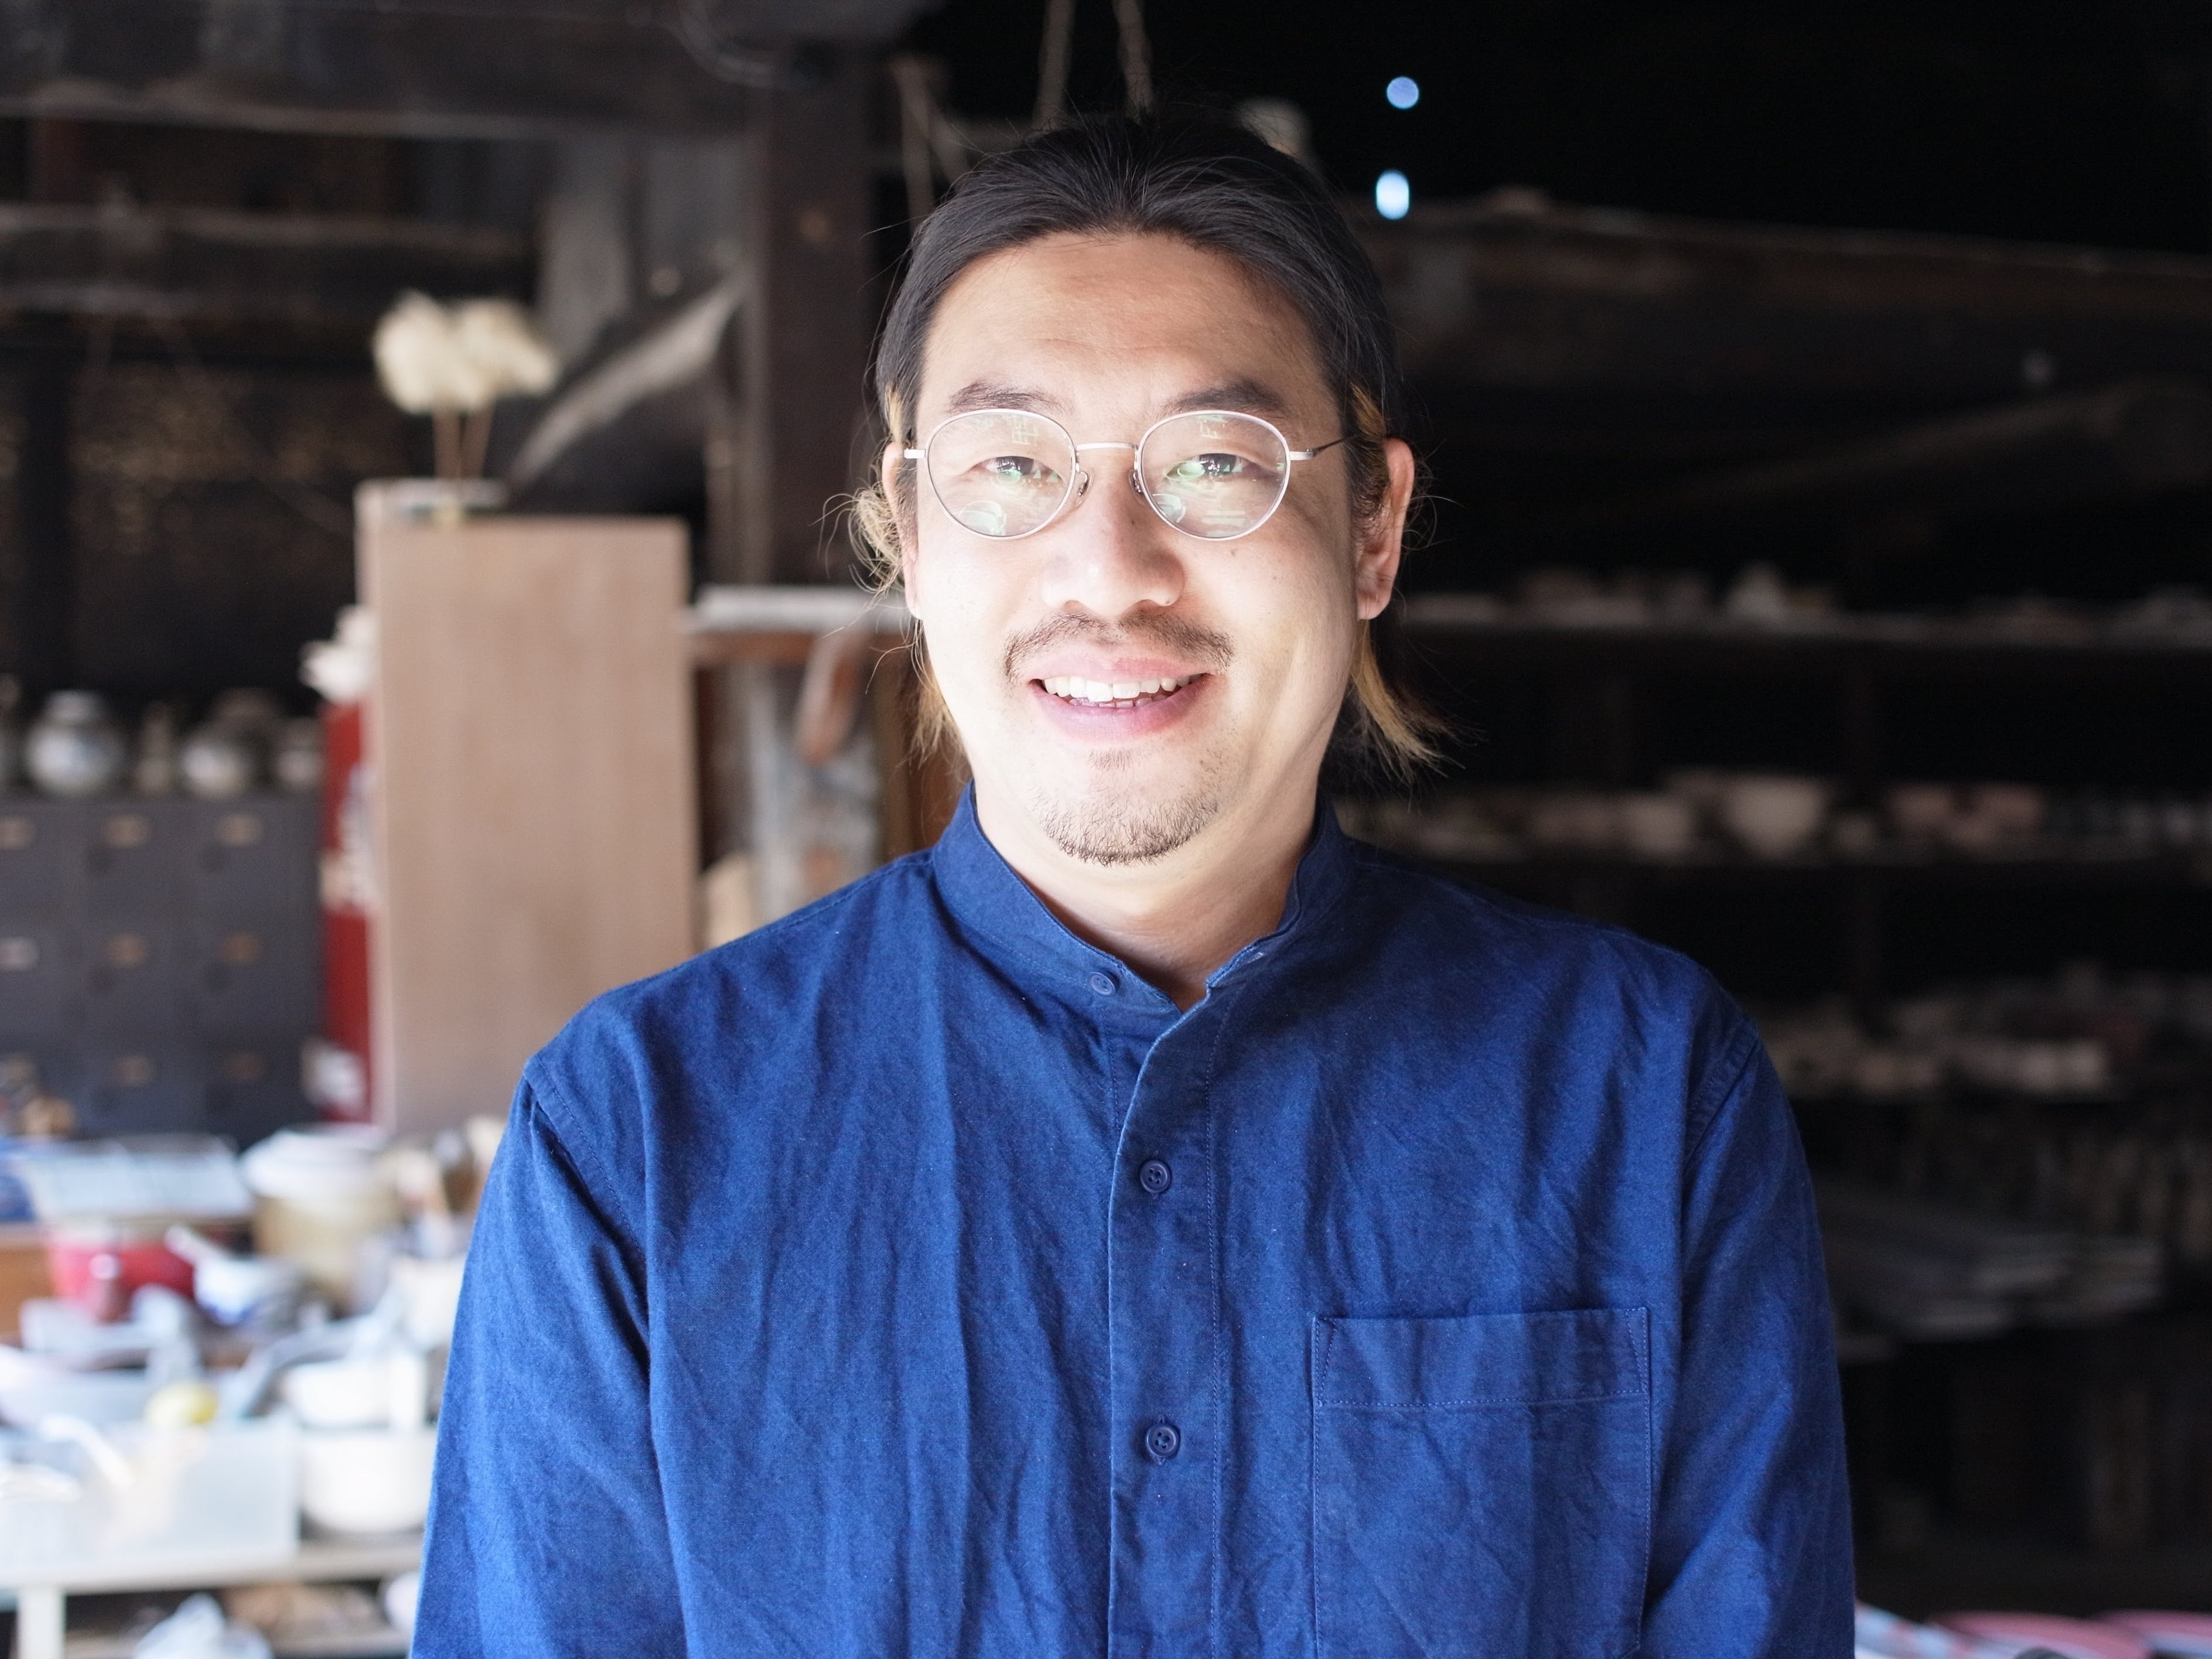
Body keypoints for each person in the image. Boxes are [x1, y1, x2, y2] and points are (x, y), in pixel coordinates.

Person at [417, 115, 1852, 1657]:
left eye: (1216, 464)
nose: (1109, 570)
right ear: (910, 535)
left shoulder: (1642, 1092)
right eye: (1011, 467)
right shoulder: (636, 1136)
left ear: (1373, 531)